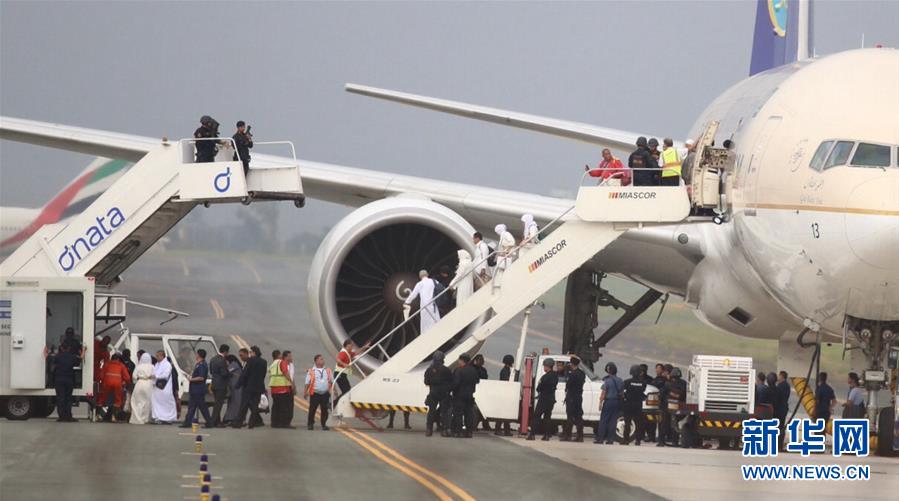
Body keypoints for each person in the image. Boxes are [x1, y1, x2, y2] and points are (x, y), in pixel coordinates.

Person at [44, 343, 85, 422]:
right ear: (69, 348)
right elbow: (81, 358)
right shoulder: (72, 357)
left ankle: (61, 417)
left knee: (60, 398)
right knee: (68, 398)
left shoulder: (57, 357)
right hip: (69, 380)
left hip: (59, 380)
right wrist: (83, 350)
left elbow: (47, 357)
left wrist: (45, 350)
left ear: (61, 348)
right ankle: (68, 416)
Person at [233, 345, 267, 429]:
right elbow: (263, 375)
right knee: (255, 406)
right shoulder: (264, 362)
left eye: (251, 352)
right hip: (258, 387)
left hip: (248, 387)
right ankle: (252, 423)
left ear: (254, 352)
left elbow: (245, 374)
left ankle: (238, 423)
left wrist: (238, 384)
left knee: (244, 405)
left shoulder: (251, 361)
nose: (250, 354)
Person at [527, 358, 558, 441]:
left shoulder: (545, 377)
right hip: (551, 399)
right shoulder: (555, 376)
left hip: (544, 399)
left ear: (547, 366)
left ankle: (532, 434)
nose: (544, 367)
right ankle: (547, 435)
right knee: (547, 417)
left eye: (545, 366)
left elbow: (539, 388)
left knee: (536, 416)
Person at [180, 349, 212, 428]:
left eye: (196, 354)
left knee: (202, 407)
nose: (195, 355)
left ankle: (209, 422)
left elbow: (201, 377)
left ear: (199, 355)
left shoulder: (202, 365)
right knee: (192, 406)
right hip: (194, 389)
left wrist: (191, 379)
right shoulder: (198, 364)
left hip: (198, 389)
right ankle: (187, 422)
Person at [425, 351, 454, 437]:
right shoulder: (446, 370)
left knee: (431, 412)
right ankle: (444, 430)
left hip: (433, 391)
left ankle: (429, 430)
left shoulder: (429, 370)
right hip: (444, 392)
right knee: (444, 412)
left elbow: (426, 382)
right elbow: (451, 382)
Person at [404, 270, 441, 334]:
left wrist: (407, 302)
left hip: (424, 307)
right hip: (433, 304)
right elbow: (440, 288)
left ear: (420, 277)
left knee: (426, 324)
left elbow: (413, 294)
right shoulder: (434, 281)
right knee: (436, 321)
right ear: (427, 274)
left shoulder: (420, 284)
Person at [451, 353, 480, 438]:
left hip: (459, 395)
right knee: (469, 414)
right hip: (469, 395)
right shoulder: (473, 370)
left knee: (458, 414)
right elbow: (477, 380)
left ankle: (458, 431)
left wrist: (451, 389)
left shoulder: (459, 370)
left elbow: (455, 383)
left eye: (459, 360)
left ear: (462, 360)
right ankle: (469, 432)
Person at [595, 362, 623, 444]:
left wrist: (600, 402)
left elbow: (603, 393)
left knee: (604, 420)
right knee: (613, 421)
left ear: (608, 370)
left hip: (608, 401)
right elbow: (621, 393)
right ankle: (611, 439)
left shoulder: (607, 381)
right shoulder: (620, 380)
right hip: (616, 401)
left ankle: (600, 438)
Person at [304, 354, 334, 430]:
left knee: (324, 410)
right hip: (315, 393)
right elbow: (307, 382)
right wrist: (305, 392)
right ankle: (310, 424)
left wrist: (335, 391)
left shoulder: (328, 370)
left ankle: (324, 424)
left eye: (323, 359)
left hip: (325, 393)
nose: (323, 360)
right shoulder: (311, 371)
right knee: (312, 409)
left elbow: (331, 381)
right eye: (321, 359)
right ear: (316, 361)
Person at [334, 339, 369, 404]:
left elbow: (356, 353)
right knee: (347, 391)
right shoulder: (343, 352)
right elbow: (338, 359)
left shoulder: (348, 353)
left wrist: (364, 347)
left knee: (347, 390)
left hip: (342, 374)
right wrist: (344, 364)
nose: (352, 347)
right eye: (352, 345)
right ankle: (334, 403)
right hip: (339, 374)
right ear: (348, 345)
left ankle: (335, 403)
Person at [98, 354, 132, 422]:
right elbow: (127, 378)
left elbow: (101, 376)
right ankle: (114, 417)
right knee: (117, 401)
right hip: (117, 384)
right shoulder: (121, 365)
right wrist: (125, 382)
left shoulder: (106, 364)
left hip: (107, 383)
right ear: (119, 359)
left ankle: (100, 416)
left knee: (103, 400)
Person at [561, 357, 586, 442]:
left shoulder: (572, 374)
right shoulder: (582, 373)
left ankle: (567, 435)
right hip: (579, 396)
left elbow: (568, 385)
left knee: (570, 417)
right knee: (579, 417)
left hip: (571, 396)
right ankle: (580, 435)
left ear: (572, 364)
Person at [622, 365, 647, 446]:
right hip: (638, 405)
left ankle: (626, 440)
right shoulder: (643, 383)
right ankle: (638, 440)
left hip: (628, 404)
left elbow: (623, 392)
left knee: (627, 422)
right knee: (638, 423)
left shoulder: (627, 382)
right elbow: (643, 392)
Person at [269, 350, 295, 428]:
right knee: (285, 407)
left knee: (276, 407)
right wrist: (291, 383)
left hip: (274, 388)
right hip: (283, 388)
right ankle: (284, 423)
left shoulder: (273, 364)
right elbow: (285, 372)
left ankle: (274, 423)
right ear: (279, 356)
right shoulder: (282, 362)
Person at [151, 350, 178, 424]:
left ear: (162, 356)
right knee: (157, 402)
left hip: (165, 387)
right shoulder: (157, 364)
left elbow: (165, 375)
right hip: (157, 388)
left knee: (167, 402)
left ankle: (169, 418)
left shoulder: (167, 364)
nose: (156, 357)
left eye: (158, 356)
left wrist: (156, 376)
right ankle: (158, 417)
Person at [129, 353, 155, 424]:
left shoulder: (138, 366)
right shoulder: (152, 366)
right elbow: (155, 376)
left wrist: (136, 381)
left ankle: (136, 418)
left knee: (136, 401)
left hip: (139, 383)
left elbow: (134, 376)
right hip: (148, 384)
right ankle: (145, 419)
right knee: (147, 402)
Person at [208, 344, 230, 427]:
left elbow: (211, 371)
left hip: (214, 384)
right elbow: (224, 373)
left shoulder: (213, 359)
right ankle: (213, 422)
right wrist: (229, 372)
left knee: (216, 403)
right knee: (218, 405)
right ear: (225, 352)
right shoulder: (222, 360)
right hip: (221, 385)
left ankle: (217, 421)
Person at [664, 367, 687, 447]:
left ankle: (673, 441)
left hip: (671, 406)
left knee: (672, 424)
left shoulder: (668, 383)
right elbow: (683, 394)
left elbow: (664, 394)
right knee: (675, 424)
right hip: (680, 406)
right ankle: (675, 441)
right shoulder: (683, 383)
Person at [494, 354, 515, 436]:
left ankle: (505, 429)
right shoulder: (505, 371)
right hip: (505, 393)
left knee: (504, 413)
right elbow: (506, 382)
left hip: (504, 393)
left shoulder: (505, 370)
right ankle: (501, 429)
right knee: (503, 413)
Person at [223, 351, 246, 425]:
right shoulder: (235, 364)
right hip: (234, 387)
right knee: (233, 403)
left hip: (237, 388)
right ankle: (231, 417)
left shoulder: (234, 364)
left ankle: (233, 418)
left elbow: (227, 371)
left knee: (235, 403)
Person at [472, 354, 491, 431]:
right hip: (474, 391)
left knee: (482, 409)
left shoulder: (483, 370)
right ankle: (475, 425)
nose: (482, 362)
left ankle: (484, 424)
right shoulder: (473, 369)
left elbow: (485, 378)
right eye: (480, 360)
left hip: (481, 391)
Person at [493, 224, 515, 288]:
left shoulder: (506, 234)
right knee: (501, 270)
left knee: (506, 270)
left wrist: (506, 251)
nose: (497, 233)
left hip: (507, 256)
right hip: (504, 256)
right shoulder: (502, 236)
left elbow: (512, 242)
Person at [652, 363, 669, 445]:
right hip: (660, 404)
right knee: (661, 423)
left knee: (662, 423)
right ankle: (660, 439)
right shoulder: (656, 379)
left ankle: (661, 440)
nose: (657, 370)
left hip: (664, 404)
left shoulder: (665, 381)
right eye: (656, 368)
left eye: (659, 368)